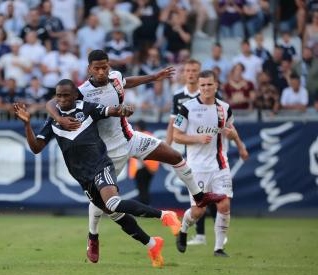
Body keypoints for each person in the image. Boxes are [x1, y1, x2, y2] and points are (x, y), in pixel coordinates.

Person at [46, 50, 226, 263]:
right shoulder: (82, 91)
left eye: (105, 66)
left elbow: (126, 82)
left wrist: (153, 77)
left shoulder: (115, 77)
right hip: (107, 153)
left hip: (130, 138)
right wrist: (58, 117)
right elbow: (51, 103)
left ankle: (199, 196)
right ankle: (93, 236)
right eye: (97, 68)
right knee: (104, 203)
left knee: (175, 156)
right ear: (89, 69)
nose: (102, 71)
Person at [15, 79, 181, 268]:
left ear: (76, 95)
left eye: (66, 95)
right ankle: (152, 244)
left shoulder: (86, 108)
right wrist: (27, 125)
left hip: (101, 165)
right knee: (115, 214)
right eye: (58, 95)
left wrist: (122, 110)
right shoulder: (53, 119)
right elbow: (36, 148)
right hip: (83, 177)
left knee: (113, 203)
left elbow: (109, 110)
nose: (61, 99)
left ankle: (165, 215)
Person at [174, 70, 248, 257]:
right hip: (197, 168)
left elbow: (230, 129)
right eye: (203, 85)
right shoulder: (187, 108)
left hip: (219, 165)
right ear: (198, 86)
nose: (206, 88)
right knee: (198, 212)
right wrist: (197, 138)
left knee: (224, 205)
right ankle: (183, 229)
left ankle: (219, 248)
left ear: (216, 85)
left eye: (209, 84)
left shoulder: (224, 108)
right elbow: (177, 136)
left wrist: (240, 146)